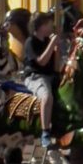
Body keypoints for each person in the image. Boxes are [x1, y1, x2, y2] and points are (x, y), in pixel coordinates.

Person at [23, 11, 59, 148]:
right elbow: (42, 62)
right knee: (47, 96)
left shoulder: (48, 41)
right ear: (41, 26)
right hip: (35, 76)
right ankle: (45, 133)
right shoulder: (30, 42)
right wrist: (52, 45)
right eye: (49, 25)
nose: (52, 27)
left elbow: (55, 65)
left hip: (50, 75)